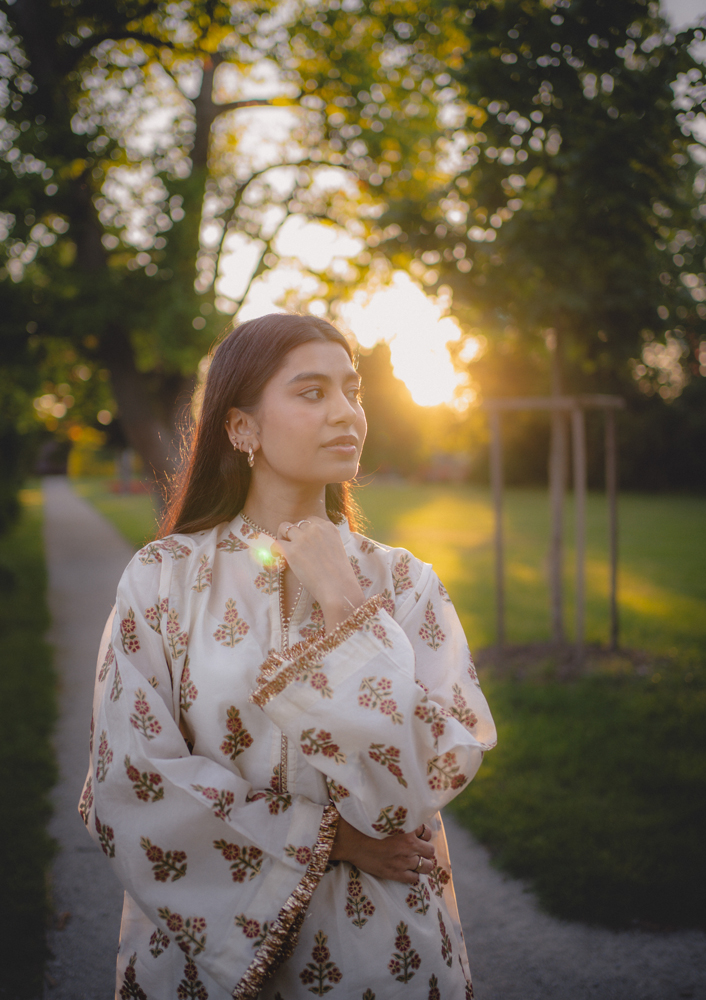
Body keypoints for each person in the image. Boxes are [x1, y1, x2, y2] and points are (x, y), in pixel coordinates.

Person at [80, 313, 496, 1000]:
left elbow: (429, 771)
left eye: (352, 391)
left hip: (378, 954)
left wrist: (346, 604)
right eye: (312, 393)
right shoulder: (164, 579)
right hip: (200, 958)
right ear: (242, 428)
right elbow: (129, 779)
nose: (347, 414)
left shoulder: (405, 584)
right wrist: (328, 839)